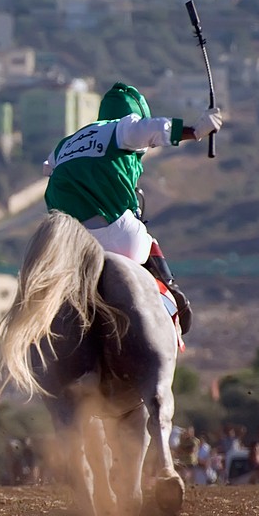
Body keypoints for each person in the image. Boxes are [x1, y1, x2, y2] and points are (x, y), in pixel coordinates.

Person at [42, 82, 223, 334]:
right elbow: (152, 129)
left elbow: (47, 168)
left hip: (71, 249)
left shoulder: (65, 144)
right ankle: (173, 295)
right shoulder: (123, 127)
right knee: (147, 240)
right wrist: (196, 130)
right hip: (119, 240)